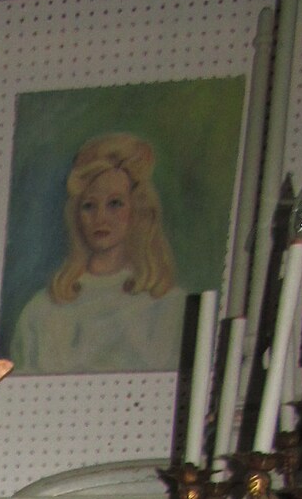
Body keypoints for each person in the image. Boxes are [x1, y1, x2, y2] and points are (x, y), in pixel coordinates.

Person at [10, 132, 186, 373]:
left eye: (114, 203)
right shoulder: (42, 312)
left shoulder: (169, 309)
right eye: (89, 206)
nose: (100, 218)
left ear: (137, 208)